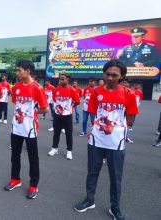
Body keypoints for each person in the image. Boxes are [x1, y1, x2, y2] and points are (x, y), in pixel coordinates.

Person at [74, 59, 138, 220]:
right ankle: (89, 200)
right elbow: (93, 113)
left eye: (114, 75)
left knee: (115, 176)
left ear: (122, 76)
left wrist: (115, 127)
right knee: (92, 172)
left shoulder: (129, 94)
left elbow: (130, 119)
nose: (110, 78)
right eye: (107, 74)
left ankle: (115, 208)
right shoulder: (96, 92)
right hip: (96, 140)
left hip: (116, 143)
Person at [4, 60, 49, 199]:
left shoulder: (37, 87)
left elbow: (45, 108)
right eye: (17, 70)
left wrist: (33, 113)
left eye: (19, 70)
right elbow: (17, 105)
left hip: (30, 128)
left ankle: (33, 185)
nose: (17, 73)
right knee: (15, 155)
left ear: (28, 71)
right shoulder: (16, 87)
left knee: (33, 158)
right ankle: (15, 179)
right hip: (16, 126)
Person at [48, 73, 80, 160]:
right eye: (60, 79)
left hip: (67, 115)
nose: (61, 81)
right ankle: (55, 148)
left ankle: (69, 151)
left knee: (68, 134)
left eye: (63, 79)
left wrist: (70, 107)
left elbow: (77, 101)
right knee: (56, 132)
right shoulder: (56, 90)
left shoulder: (72, 90)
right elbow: (54, 99)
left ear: (67, 80)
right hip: (57, 115)